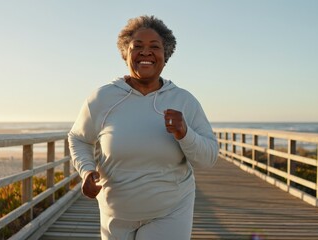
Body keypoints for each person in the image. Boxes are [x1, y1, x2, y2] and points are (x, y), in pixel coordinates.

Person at [68, 15, 218, 240]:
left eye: (154, 47)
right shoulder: (102, 98)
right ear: (125, 53)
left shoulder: (184, 101)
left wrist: (185, 134)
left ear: (165, 55)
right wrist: (86, 170)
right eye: (137, 46)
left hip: (170, 212)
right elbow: (78, 138)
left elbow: (209, 158)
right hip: (115, 215)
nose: (146, 52)